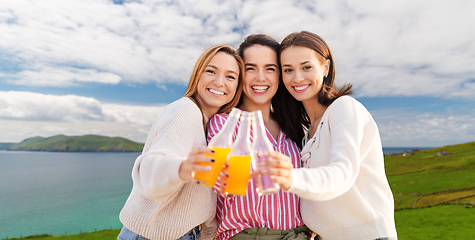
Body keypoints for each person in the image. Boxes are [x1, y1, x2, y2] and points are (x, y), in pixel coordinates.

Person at [261, 31, 398, 240]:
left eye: (306, 67)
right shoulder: (308, 132)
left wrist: (290, 177)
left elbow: (342, 173)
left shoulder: (344, 108)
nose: (297, 78)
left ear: (325, 67)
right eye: (288, 70)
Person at [118, 45, 244, 240]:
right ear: (197, 75)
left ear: (237, 85)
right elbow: (151, 166)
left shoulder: (212, 125)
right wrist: (182, 168)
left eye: (230, 76)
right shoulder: (185, 110)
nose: (219, 82)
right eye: (211, 71)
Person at [207, 34, 309, 240]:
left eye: (270, 69)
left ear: (280, 76)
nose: (260, 77)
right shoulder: (223, 124)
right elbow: (218, 181)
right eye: (250, 68)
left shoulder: (294, 130)